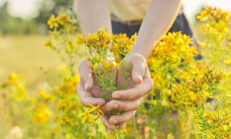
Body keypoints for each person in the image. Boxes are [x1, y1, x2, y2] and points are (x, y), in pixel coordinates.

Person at [75, 0, 198, 132]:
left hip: (166, 25)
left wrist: (139, 53)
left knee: (173, 127)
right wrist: (100, 59)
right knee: (127, 127)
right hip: (113, 29)